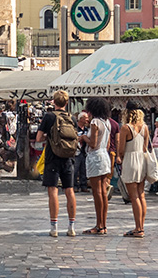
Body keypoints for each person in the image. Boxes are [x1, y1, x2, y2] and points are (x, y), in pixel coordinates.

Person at [36, 90, 77, 238]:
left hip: (52, 157)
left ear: (54, 102)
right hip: (69, 157)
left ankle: (54, 227)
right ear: (66, 103)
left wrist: (49, 136)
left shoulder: (49, 117)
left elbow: (39, 138)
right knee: (69, 190)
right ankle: (71, 226)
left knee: (53, 191)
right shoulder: (72, 118)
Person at [118, 106, 150, 237]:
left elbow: (121, 149)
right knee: (141, 194)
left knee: (134, 196)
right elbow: (145, 147)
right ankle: (141, 226)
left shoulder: (126, 128)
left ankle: (138, 228)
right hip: (141, 160)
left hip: (130, 160)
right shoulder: (145, 127)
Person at [83, 97, 111, 235]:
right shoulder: (107, 123)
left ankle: (99, 224)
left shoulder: (95, 122)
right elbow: (107, 144)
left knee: (97, 192)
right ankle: (103, 224)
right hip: (104, 155)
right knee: (103, 191)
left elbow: (93, 143)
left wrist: (83, 138)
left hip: (95, 156)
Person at [74, 112, 90, 193]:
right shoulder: (75, 128)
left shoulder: (87, 130)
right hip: (76, 151)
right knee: (75, 169)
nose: (87, 120)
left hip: (84, 151)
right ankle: (74, 186)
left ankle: (83, 185)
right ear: (81, 119)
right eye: (85, 118)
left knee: (83, 169)